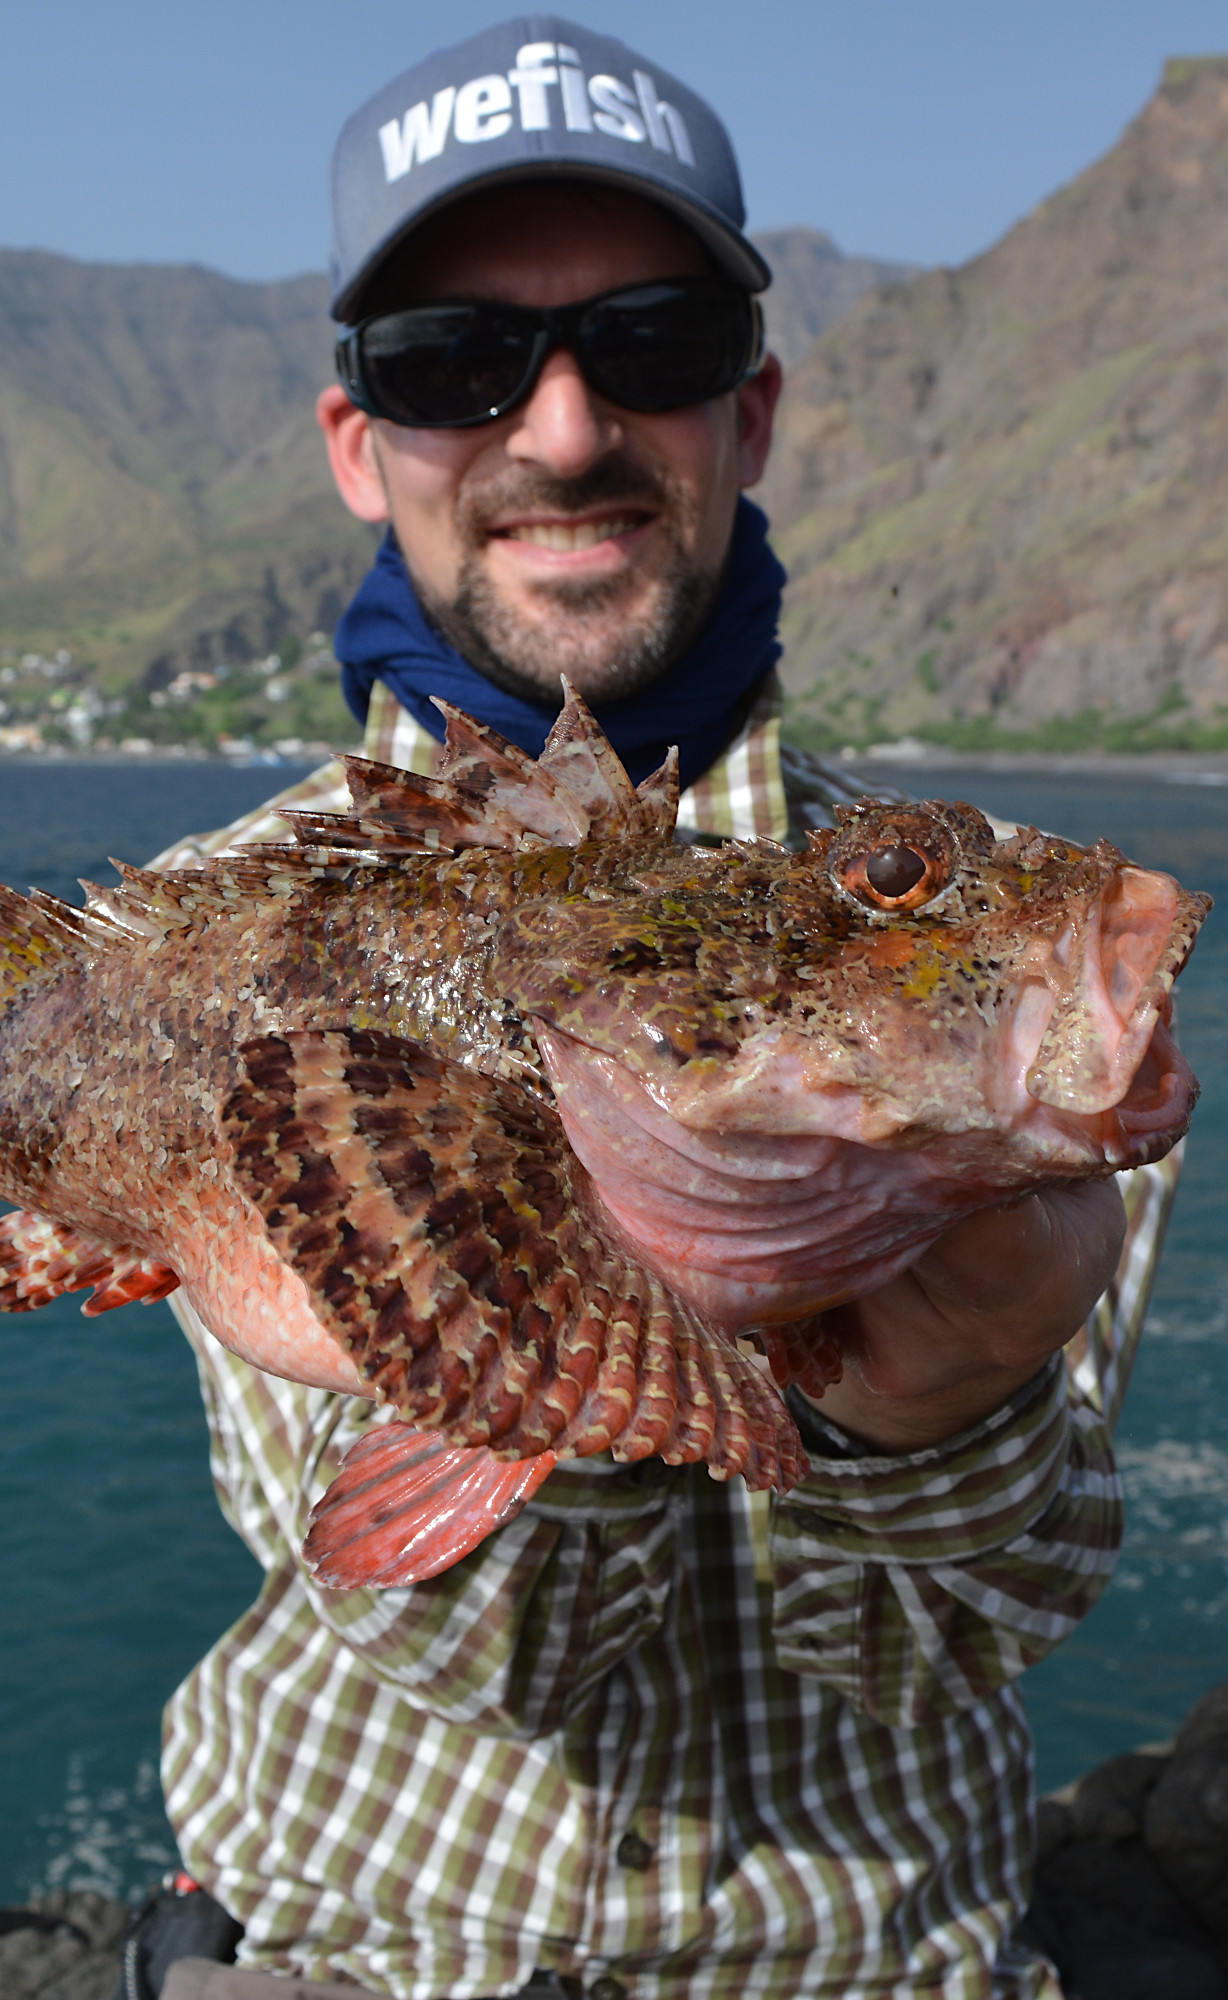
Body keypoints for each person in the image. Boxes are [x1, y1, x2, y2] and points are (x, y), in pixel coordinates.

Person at [123, 19, 1177, 2000]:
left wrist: (931, 1410)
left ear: (750, 411)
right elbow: (469, 1645)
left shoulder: (986, 955)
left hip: (885, 1957)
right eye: (456, 362)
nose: (564, 430)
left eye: (655, 343)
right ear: (363, 442)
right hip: (366, 1948)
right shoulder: (233, 946)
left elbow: (956, 1641)